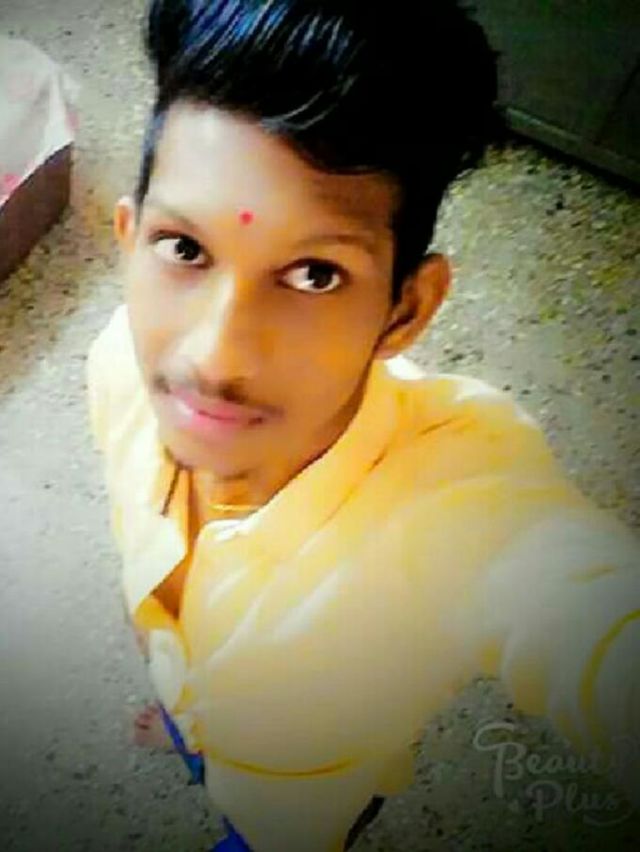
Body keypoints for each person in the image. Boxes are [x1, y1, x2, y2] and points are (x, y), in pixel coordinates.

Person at [86, 1, 640, 849]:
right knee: (180, 688)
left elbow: (587, 615)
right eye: (185, 249)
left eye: (314, 273)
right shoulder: (115, 362)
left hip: (293, 811)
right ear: (130, 241)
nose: (214, 357)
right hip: (189, 689)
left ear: (406, 309)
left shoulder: (461, 504)